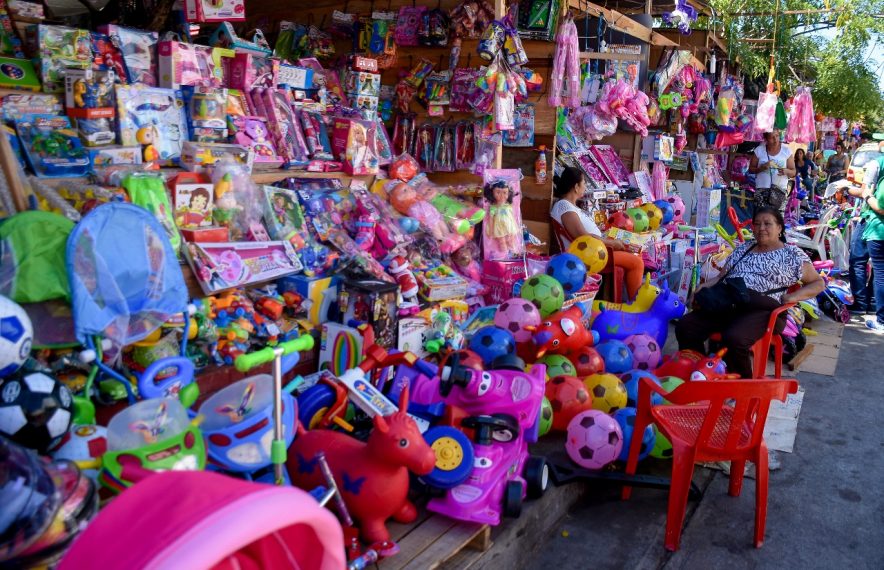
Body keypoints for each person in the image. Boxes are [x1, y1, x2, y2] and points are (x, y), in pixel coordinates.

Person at [675, 207, 825, 378]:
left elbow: (818, 283)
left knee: (734, 338)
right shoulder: (743, 248)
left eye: (767, 224)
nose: (761, 228)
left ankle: (740, 384)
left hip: (763, 308)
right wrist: (703, 287)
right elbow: (721, 277)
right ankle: (699, 373)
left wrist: (792, 296)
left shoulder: (792, 254)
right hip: (729, 302)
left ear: (779, 228)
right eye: (757, 224)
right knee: (686, 326)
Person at [551, 166, 644, 299]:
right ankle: (637, 303)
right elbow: (583, 237)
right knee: (636, 262)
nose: (585, 187)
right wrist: (612, 243)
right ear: (576, 187)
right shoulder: (564, 207)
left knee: (637, 251)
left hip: (596, 250)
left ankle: (625, 298)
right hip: (591, 256)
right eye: (584, 183)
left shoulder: (568, 206)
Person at [845, 141, 884, 318]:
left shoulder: (876, 164)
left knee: (858, 260)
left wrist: (848, 189)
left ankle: (861, 303)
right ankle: (873, 303)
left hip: (872, 220)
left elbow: (867, 194)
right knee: (879, 268)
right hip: (875, 223)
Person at [857, 148, 884, 333]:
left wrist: (866, 194)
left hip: (879, 231)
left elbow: (881, 207)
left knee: (881, 275)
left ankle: (881, 320)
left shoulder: (878, 164)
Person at [749, 129, 796, 213]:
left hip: (779, 190)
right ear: (766, 139)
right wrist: (761, 168)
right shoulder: (759, 150)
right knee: (761, 216)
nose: (775, 140)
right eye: (772, 137)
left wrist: (786, 171)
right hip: (762, 190)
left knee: (777, 217)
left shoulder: (786, 151)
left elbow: (793, 172)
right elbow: (751, 169)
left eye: (777, 136)